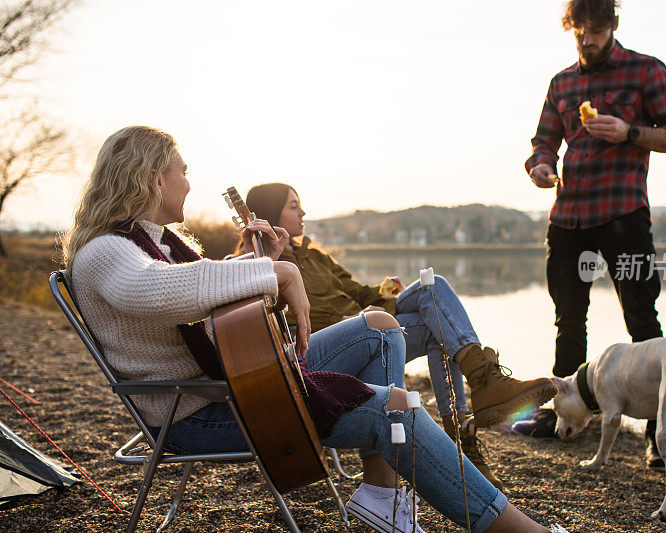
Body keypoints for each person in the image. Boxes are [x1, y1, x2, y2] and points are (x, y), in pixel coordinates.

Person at [60, 126, 564, 532]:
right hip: (200, 412)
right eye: (182, 172)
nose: (189, 183)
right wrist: (278, 272)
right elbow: (161, 292)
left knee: (380, 328)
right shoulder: (107, 251)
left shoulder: (157, 244)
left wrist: (268, 263)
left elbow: (220, 315)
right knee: (401, 410)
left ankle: (382, 493)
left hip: (234, 383)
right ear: (151, 177)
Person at [237, 182, 557, 490]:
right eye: (294, 206)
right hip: (341, 343)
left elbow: (358, 292)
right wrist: (271, 258)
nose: (303, 212)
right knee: (437, 322)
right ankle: (480, 392)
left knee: (434, 290)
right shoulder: (262, 266)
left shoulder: (316, 257)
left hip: (373, 322)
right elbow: (279, 320)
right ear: (269, 215)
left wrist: (386, 295)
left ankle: (472, 415)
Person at [513, 0, 666, 471]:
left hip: (624, 217)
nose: (587, 40)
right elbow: (542, 141)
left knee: (643, 325)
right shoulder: (563, 82)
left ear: (612, 25)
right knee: (569, 322)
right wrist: (541, 166)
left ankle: (660, 436)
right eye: (579, 32)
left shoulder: (645, 71)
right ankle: (561, 416)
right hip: (568, 217)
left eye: (595, 30)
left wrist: (630, 132)